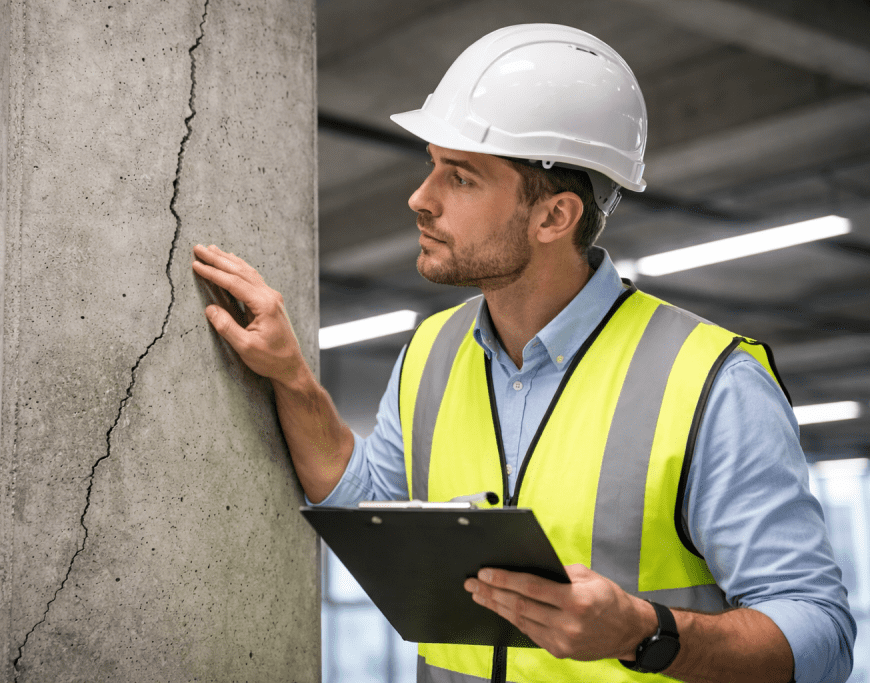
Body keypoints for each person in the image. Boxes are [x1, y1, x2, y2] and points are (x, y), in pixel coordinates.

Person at [192, 24, 855, 683]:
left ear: (553, 218)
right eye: (432, 165)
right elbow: (369, 508)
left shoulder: (713, 380)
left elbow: (820, 633)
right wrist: (290, 375)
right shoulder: (429, 352)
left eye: (461, 177)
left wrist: (645, 631)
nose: (420, 198)